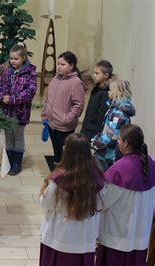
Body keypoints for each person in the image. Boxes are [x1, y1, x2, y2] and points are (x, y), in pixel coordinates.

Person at [39, 133, 106, 266]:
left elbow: (46, 203)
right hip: (85, 238)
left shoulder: (58, 179)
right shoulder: (98, 177)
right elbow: (102, 204)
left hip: (59, 237)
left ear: (67, 152)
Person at [96, 124, 155, 266]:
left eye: (119, 139)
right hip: (141, 236)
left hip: (117, 239)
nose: (118, 142)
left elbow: (100, 203)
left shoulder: (119, 170)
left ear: (126, 143)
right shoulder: (151, 164)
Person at [0, 44, 37, 175]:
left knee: (18, 135)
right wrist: (1, 97)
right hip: (5, 110)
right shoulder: (4, 68)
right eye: (11, 58)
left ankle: (17, 162)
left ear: (23, 58)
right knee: (8, 135)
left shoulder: (30, 72)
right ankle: (9, 159)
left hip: (20, 112)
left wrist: (13, 99)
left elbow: (30, 92)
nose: (12, 61)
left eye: (16, 59)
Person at [41, 51, 85, 169]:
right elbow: (48, 99)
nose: (59, 66)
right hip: (51, 123)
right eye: (59, 64)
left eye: (63, 64)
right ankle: (57, 171)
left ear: (71, 66)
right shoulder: (55, 79)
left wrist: (67, 119)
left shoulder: (76, 83)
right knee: (56, 151)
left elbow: (78, 105)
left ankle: (65, 175)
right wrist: (45, 114)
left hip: (64, 126)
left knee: (65, 153)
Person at [92, 79, 135, 171]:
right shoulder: (114, 108)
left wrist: (95, 144)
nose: (108, 92)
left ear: (118, 92)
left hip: (110, 155)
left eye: (110, 90)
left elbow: (111, 136)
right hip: (108, 153)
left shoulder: (118, 113)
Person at [80, 60, 115, 140]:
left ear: (106, 75)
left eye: (97, 73)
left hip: (94, 133)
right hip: (87, 128)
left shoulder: (106, 93)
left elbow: (102, 116)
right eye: (94, 73)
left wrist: (97, 136)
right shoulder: (97, 88)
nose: (94, 76)